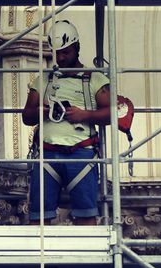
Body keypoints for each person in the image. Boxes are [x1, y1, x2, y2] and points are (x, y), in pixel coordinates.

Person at [22, 19, 111, 225]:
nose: (61, 58)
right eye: (57, 53)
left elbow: (112, 113)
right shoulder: (44, 80)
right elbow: (27, 116)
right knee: (39, 219)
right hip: (47, 153)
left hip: (81, 153)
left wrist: (85, 115)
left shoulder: (94, 78)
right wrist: (43, 112)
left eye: (66, 52)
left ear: (77, 48)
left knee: (87, 216)